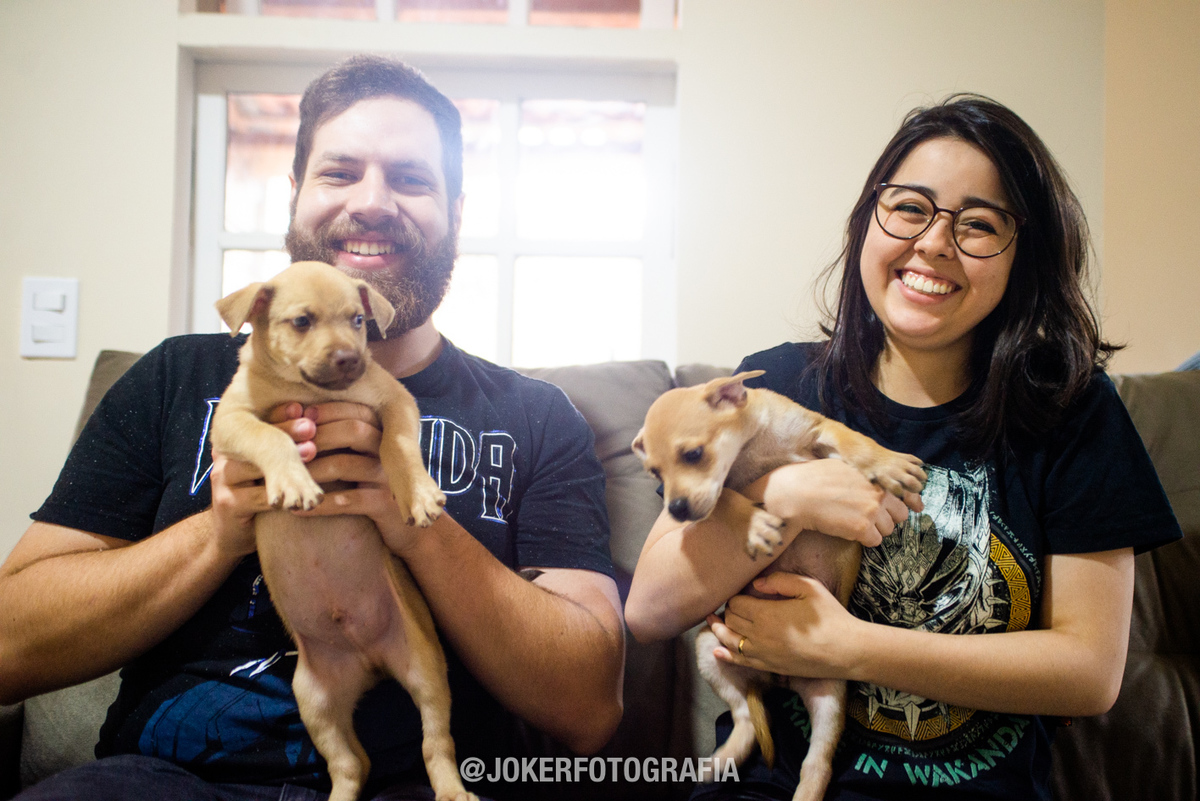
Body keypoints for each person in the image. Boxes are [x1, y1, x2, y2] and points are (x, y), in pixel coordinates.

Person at [0, 55, 624, 801]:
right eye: (340, 172)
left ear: (457, 211)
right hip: (167, 781)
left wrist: (411, 520)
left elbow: (590, 710)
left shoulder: (537, 416)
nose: (373, 202)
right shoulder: (177, 376)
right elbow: (9, 646)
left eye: (411, 179)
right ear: (294, 194)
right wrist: (222, 529)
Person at [625, 94, 1182, 800]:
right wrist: (783, 493)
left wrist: (852, 648)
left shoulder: (1071, 409)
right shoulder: (781, 387)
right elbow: (649, 609)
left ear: (1024, 256)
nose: (935, 243)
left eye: (978, 224)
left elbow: (1089, 673)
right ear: (869, 221)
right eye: (911, 208)